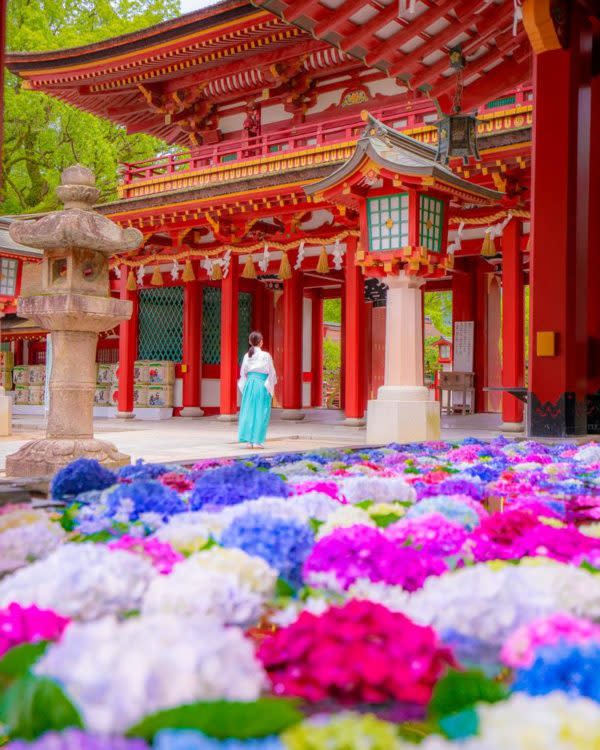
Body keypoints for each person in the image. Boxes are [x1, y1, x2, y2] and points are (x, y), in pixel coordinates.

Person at [238, 331, 277, 449]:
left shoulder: (247, 355)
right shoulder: (266, 355)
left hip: (250, 384)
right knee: (261, 411)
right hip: (261, 385)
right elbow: (272, 373)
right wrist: (270, 386)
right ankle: (257, 441)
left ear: (250, 342)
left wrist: (245, 385)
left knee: (248, 411)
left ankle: (249, 440)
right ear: (260, 342)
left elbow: (243, 372)